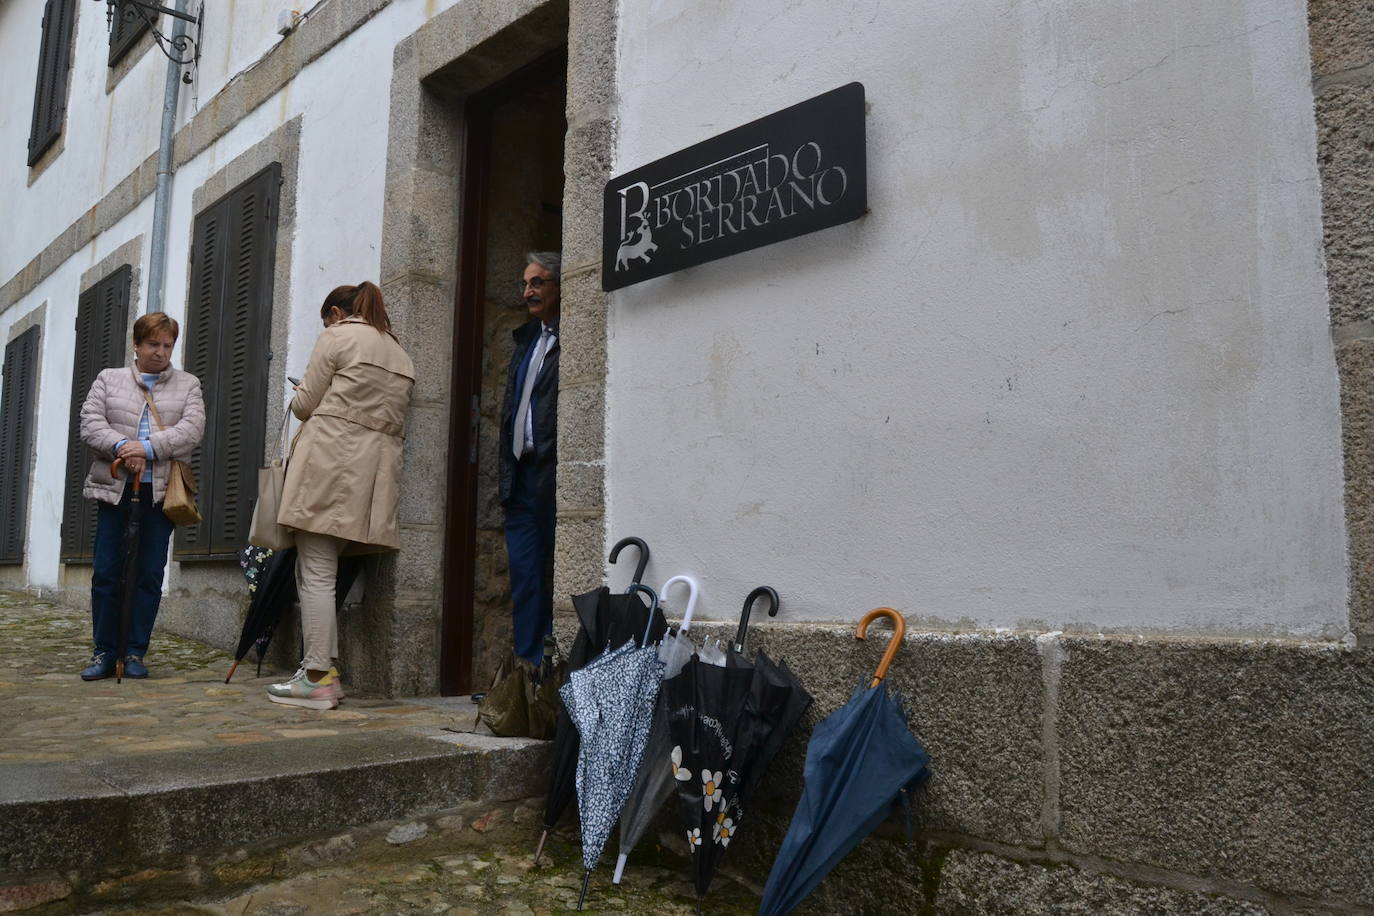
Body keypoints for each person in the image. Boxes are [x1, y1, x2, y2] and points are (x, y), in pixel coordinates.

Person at [268, 281, 415, 709]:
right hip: (372, 477)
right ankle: (324, 673)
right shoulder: (400, 352)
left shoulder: (337, 336)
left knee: (314, 572)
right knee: (325, 570)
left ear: (335, 313)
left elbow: (305, 404)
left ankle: (316, 676)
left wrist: (300, 394)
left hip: (327, 463)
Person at [79, 312, 205, 680]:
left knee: (149, 572)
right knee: (106, 571)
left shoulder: (188, 385)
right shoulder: (109, 379)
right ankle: (104, 651)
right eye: (153, 344)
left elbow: (192, 430)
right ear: (136, 344)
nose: (161, 352)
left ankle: (134, 652)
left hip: (161, 493)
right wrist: (122, 446)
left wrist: (146, 449)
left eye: (167, 345)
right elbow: (90, 424)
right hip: (115, 488)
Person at [499, 252, 561, 665]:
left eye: (537, 282)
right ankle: (527, 672)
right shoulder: (526, 342)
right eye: (526, 284)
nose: (528, 292)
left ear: (559, 285)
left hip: (552, 474)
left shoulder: (568, 339)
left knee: (556, 575)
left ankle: (554, 674)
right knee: (524, 578)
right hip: (520, 476)